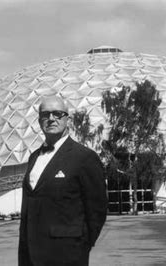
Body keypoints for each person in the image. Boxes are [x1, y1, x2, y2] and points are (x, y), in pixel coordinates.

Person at [18, 96, 108, 266]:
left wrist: (81, 245)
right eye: (45, 115)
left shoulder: (84, 157)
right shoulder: (34, 157)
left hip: (67, 254)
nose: (51, 118)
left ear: (68, 119)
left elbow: (97, 209)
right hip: (30, 254)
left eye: (57, 114)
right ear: (39, 121)